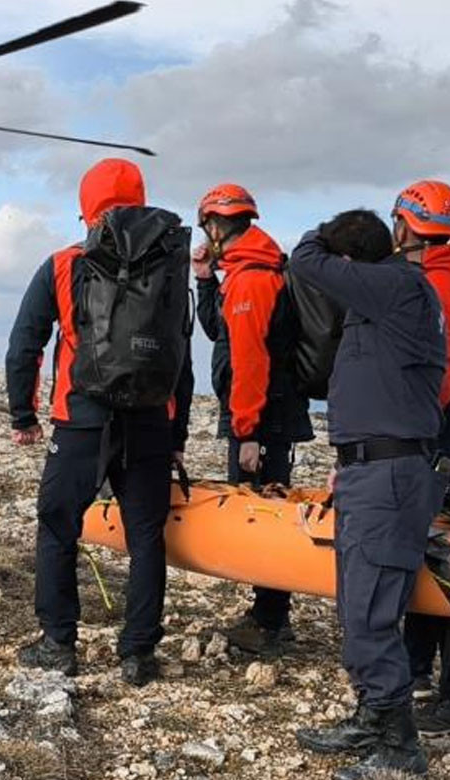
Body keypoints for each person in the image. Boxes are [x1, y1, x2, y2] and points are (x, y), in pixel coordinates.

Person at [4, 157, 192, 687]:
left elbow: (25, 344)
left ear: (87, 206)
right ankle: (137, 655)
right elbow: (180, 358)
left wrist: (24, 414)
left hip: (82, 419)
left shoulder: (65, 263)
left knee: (58, 527)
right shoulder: (169, 265)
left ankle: (58, 643)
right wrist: (176, 435)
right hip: (152, 420)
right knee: (147, 538)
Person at [288, 209, 447, 779]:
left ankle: (401, 751)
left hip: (389, 477)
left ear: (352, 263)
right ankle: (371, 716)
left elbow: (304, 259)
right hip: (369, 470)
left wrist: (319, 233)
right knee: (359, 607)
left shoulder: (396, 285)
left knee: (371, 613)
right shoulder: (387, 295)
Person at [191, 182, 313, 657]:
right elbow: (218, 333)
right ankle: (267, 614)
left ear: (218, 225)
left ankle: (269, 621)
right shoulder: (243, 273)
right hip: (266, 416)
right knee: (264, 506)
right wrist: (204, 280)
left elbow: (249, 362)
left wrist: (246, 431)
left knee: (263, 514)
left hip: (263, 419)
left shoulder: (253, 279)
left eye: (207, 226)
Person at [392, 180, 450, 738]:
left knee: (449, 561)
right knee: (426, 552)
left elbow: (438, 380)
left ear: (406, 226)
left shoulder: (439, 289)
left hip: (441, 445)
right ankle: (416, 671)